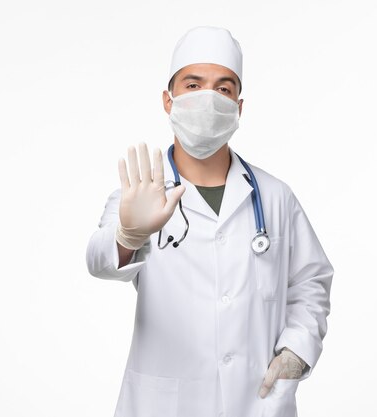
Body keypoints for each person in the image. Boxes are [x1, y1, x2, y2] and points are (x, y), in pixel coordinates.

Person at [85, 26, 333, 417]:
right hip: (164, 403)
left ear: (239, 105)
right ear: (168, 101)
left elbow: (311, 281)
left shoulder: (273, 196)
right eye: (193, 85)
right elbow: (100, 262)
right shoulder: (142, 194)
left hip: (258, 401)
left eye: (223, 88)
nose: (208, 99)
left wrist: (296, 351)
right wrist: (128, 234)